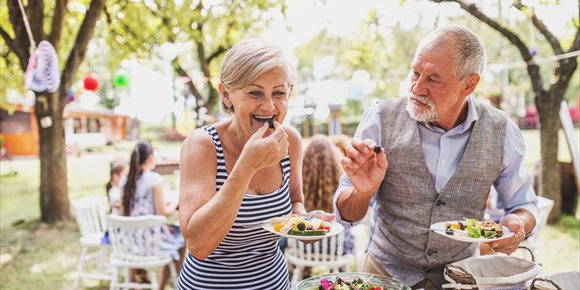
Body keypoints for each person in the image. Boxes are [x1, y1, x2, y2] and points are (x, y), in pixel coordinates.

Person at [333, 25, 538, 289]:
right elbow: (346, 215)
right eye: (415, 73)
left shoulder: (502, 130)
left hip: (461, 277)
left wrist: (518, 223)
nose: (417, 88)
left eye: (433, 79)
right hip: (384, 274)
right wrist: (362, 193)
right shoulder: (380, 119)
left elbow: (524, 204)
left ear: (469, 84)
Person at [177, 39, 330, 290]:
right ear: (226, 95)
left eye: (279, 93)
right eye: (255, 92)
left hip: (274, 283)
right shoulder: (202, 145)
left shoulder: (289, 140)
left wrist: (306, 223)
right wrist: (247, 166)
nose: (269, 106)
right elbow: (199, 244)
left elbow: (295, 202)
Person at [121, 140, 184, 289]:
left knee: (170, 232)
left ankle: (132, 281)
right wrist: (176, 199)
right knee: (182, 237)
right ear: (150, 158)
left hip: (126, 242)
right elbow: (163, 213)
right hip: (148, 243)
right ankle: (163, 285)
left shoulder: (125, 180)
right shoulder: (154, 180)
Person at [302, 134, 354, 254]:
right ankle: (337, 270)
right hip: (336, 248)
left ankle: (306, 269)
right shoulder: (341, 181)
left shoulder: (299, 181)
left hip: (305, 248)